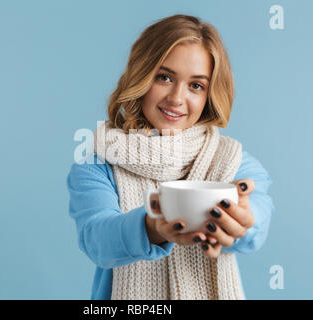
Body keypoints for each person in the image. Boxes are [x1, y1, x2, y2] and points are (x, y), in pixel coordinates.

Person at [67, 14, 275, 300]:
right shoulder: (97, 164)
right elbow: (97, 240)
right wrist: (152, 228)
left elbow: (259, 216)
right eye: (164, 77)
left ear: (209, 95)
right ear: (141, 76)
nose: (177, 98)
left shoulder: (232, 160)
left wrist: (242, 223)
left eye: (196, 85)